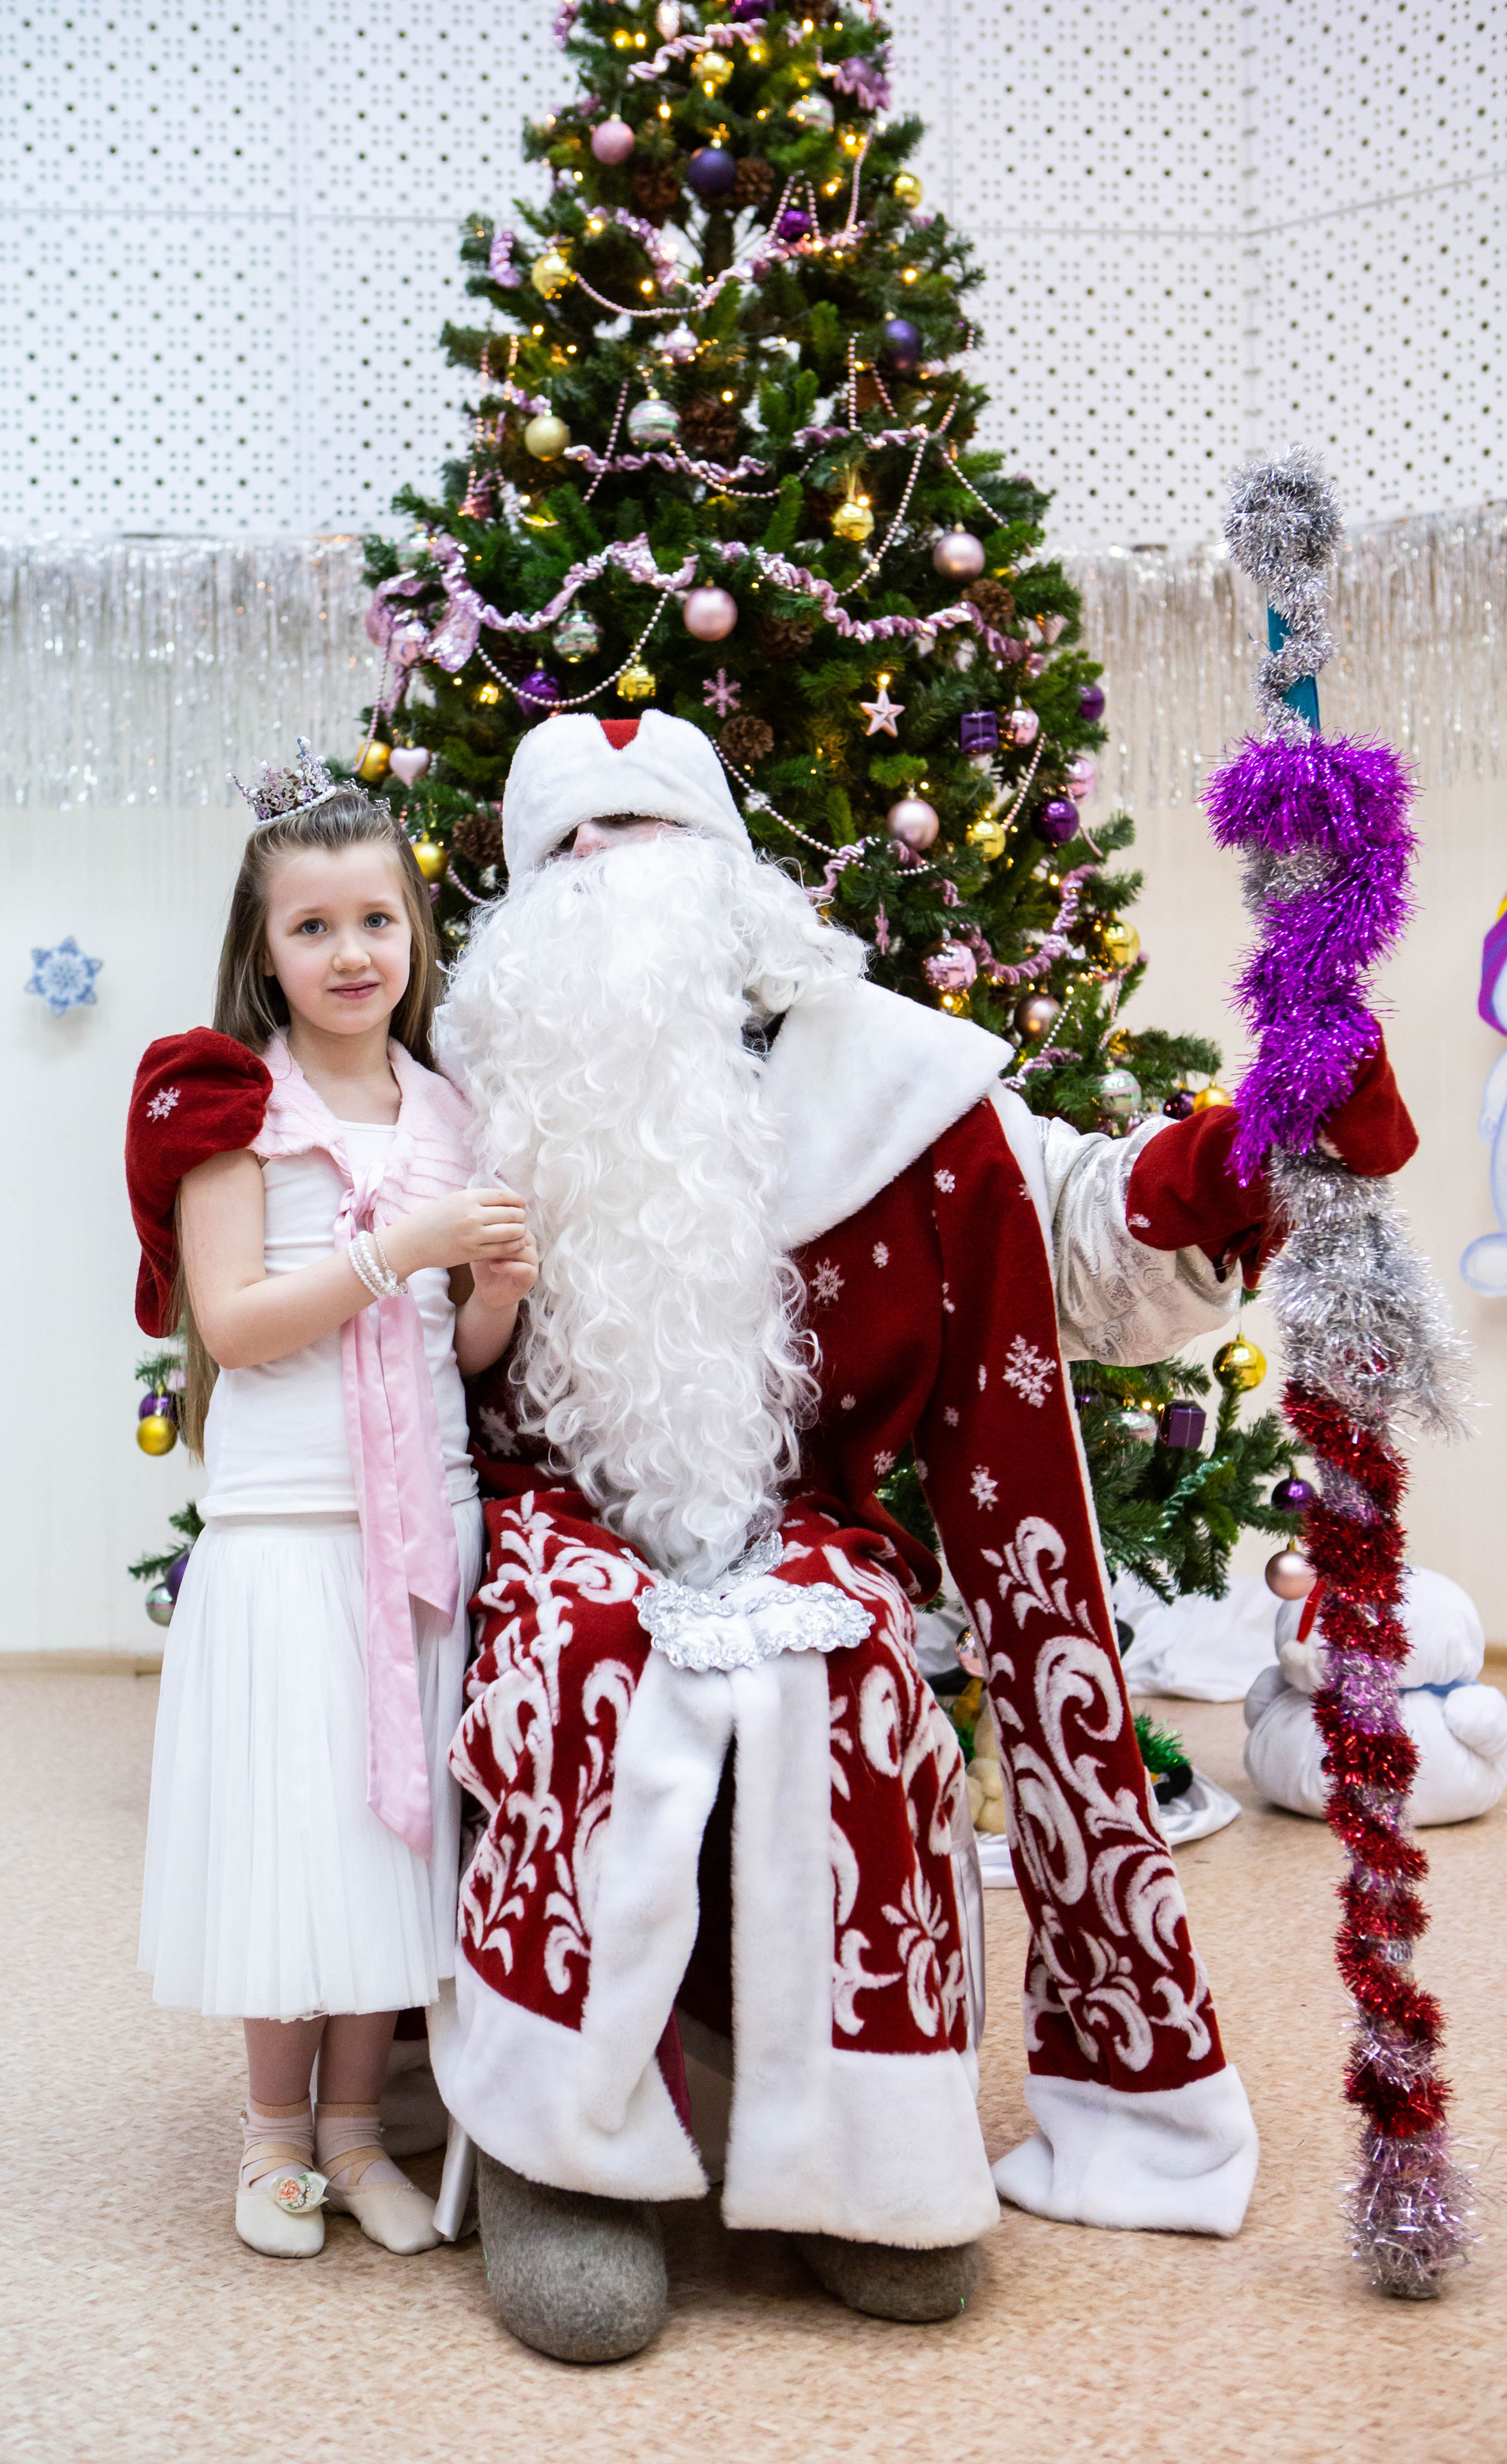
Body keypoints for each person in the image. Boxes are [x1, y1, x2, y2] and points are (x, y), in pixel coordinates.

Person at [428, 708, 1418, 2362]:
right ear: (525, 904)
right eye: (576, 852)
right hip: (552, 1518)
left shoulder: (890, 1078)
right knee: (587, 1660)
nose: (619, 881)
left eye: (653, 840)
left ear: (735, 876)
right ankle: (565, 2163)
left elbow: (1077, 1245)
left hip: (804, 1522)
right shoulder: (459, 1094)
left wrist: (1254, 1143)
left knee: (859, 1669)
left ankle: (864, 2167)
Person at [123, 742, 536, 2259]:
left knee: (392, 1842)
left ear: (415, 934)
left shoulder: (448, 1110)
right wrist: (400, 1245)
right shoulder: (236, 1111)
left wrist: (484, 1287)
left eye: (376, 920)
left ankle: (361, 2130)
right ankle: (270, 2137)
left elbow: (458, 1347)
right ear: (267, 949)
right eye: (313, 928)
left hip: (416, 1526)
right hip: (289, 1530)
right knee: (295, 1832)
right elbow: (231, 1324)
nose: (349, 952)